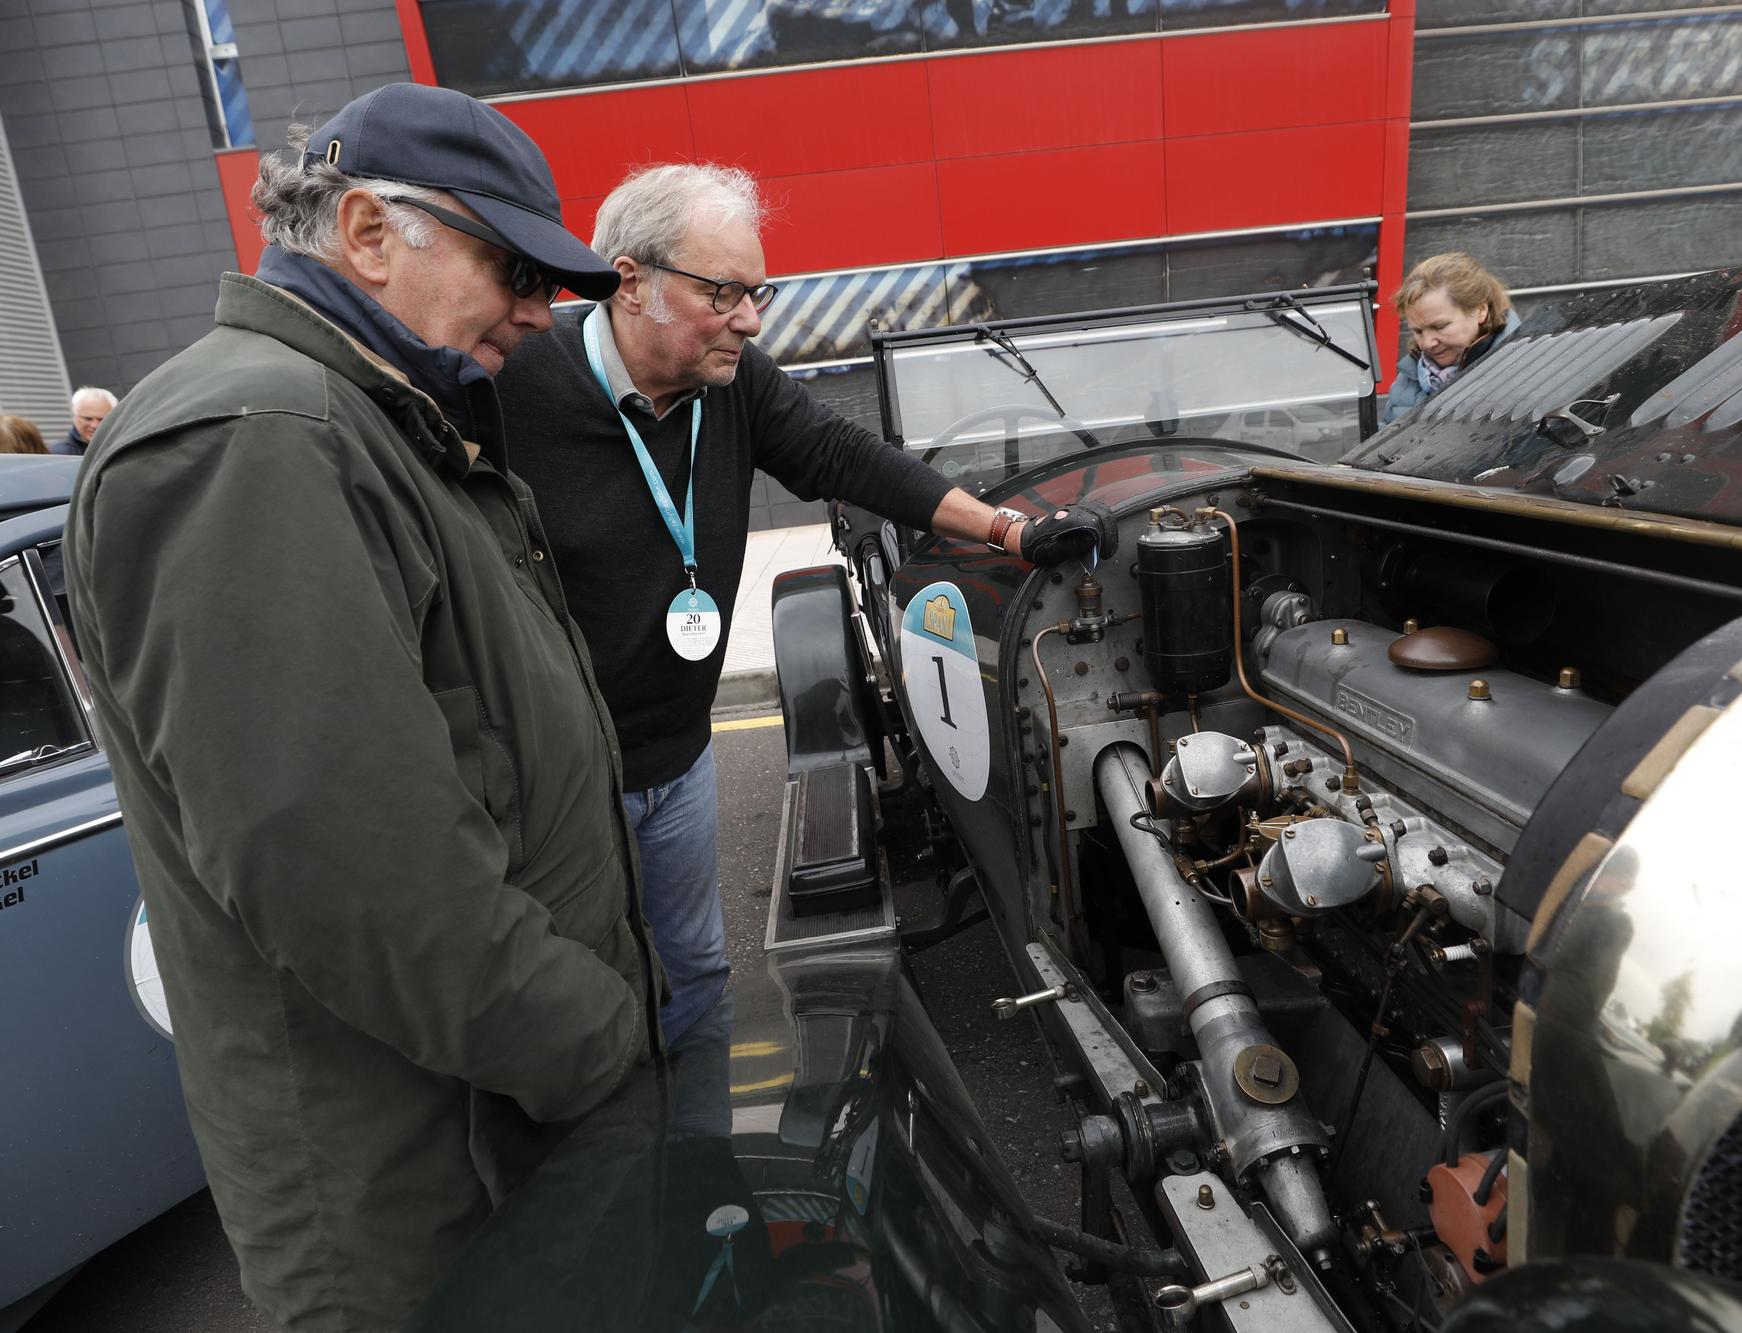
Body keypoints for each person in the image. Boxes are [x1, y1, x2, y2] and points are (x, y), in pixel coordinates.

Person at [64, 83, 666, 1332]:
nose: (538, 312)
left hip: (489, 1142)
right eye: (510, 266)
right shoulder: (256, 437)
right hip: (424, 1195)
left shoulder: (372, 419)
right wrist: (597, 1041)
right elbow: (353, 874)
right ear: (367, 232)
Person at [499, 162, 1110, 1054]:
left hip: (680, 757)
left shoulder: (731, 379)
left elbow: (843, 455)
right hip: (554, 780)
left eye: (758, 294)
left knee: (699, 975)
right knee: (575, 1004)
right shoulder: (509, 378)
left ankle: (703, 1164)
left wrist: (1009, 530)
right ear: (631, 281)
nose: (749, 319)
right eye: (724, 293)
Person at [1383, 252, 1521, 424]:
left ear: (1480, 311)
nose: (1426, 343)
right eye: (1418, 331)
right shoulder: (1409, 375)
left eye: (1439, 326)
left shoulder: (1525, 368)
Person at [54, 385, 116, 453]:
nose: (95, 425)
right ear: (75, 417)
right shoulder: (59, 455)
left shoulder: (122, 450)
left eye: (101, 419)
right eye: (88, 419)